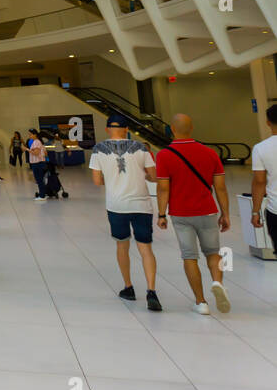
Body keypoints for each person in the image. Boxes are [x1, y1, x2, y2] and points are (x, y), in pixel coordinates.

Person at [155, 114, 230, 315]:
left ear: (171, 129)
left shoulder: (164, 155)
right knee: (213, 252)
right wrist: (225, 213)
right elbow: (220, 187)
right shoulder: (209, 153)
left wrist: (161, 214)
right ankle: (217, 282)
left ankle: (201, 302)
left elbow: (163, 188)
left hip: (181, 214)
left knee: (190, 256)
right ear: (192, 128)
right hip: (207, 211)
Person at [90, 114, 160, 311]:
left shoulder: (98, 150)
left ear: (107, 130)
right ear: (127, 129)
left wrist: (111, 182)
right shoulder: (141, 147)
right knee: (145, 248)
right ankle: (151, 291)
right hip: (141, 205)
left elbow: (96, 181)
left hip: (116, 205)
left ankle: (128, 287)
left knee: (122, 245)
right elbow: (154, 176)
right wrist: (141, 175)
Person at [250, 103, 277, 267]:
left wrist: (255, 212)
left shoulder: (260, 148)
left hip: (275, 210)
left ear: (268, 122)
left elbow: (259, 182)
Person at [27, 128, 48, 200]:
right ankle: (43, 193)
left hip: (37, 163)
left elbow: (36, 153)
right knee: (40, 180)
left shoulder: (36, 142)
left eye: (30, 134)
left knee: (39, 180)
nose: (29, 136)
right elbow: (45, 153)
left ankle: (42, 196)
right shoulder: (37, 142)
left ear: (35, 134)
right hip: (39, 163)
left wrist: (27, 149)